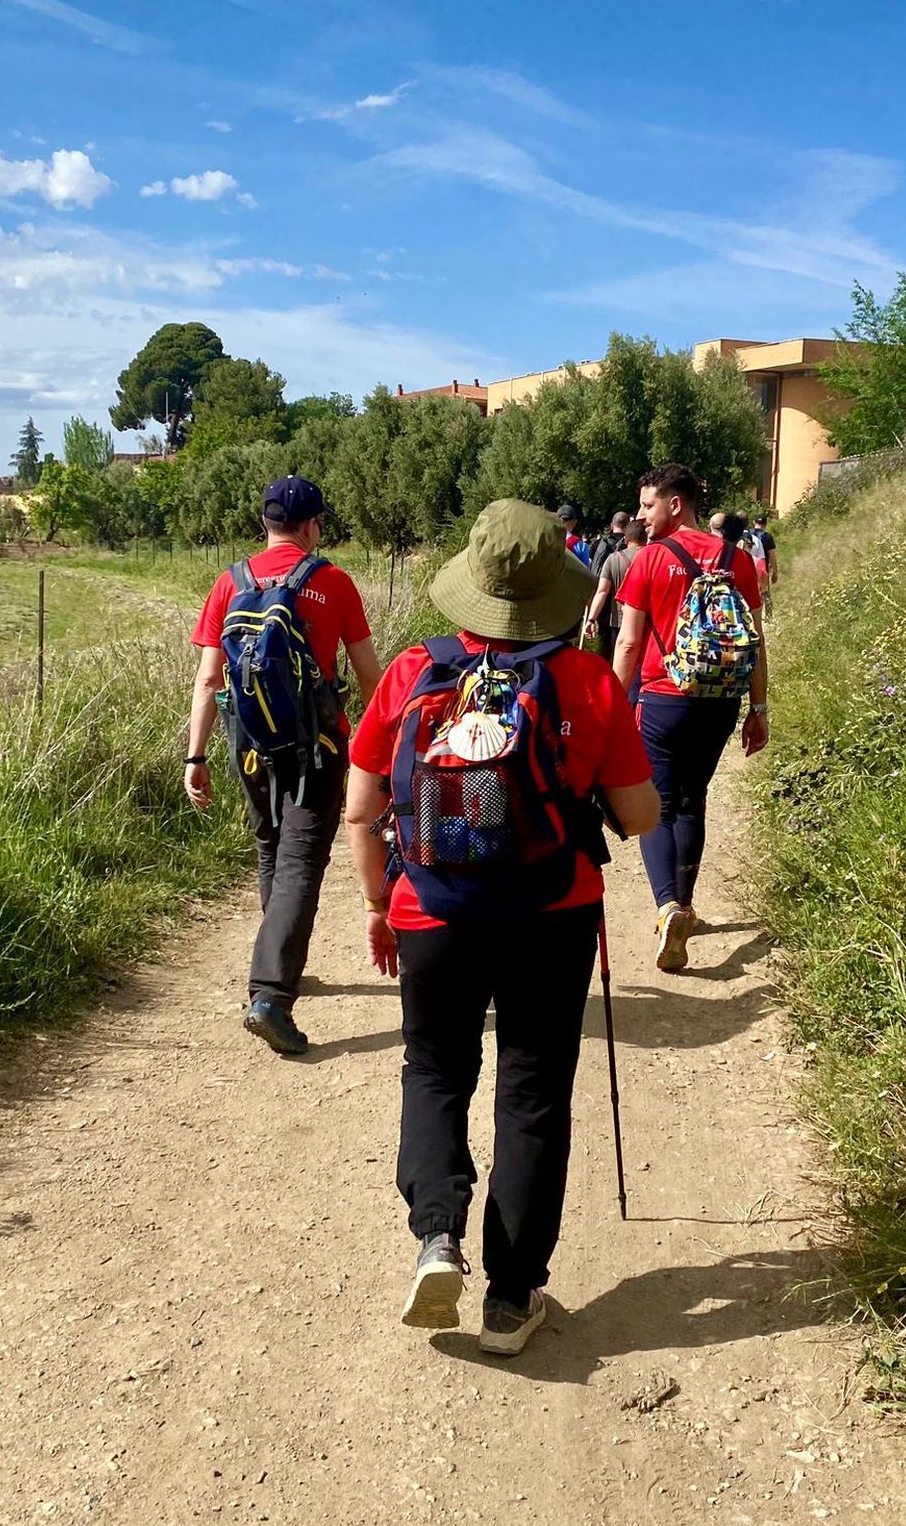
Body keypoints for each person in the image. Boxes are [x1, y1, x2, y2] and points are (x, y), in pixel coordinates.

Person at [344, 500, 660, 1356]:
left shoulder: (413, 670)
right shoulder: (588, 682)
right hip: (552, 916)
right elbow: (638, 817)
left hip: (432, 911)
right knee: (532, 1091)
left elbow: (363, 809)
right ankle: (512, 1297)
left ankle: (436, 1234)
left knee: (436, 1069)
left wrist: (379, 905)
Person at [186, 475, 382, 1056]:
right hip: (314, 743)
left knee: (271, 843)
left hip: (244, 738)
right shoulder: (332, 582)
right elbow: (369, 674)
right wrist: (387, 740)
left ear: (267, 524)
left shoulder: (231, 581)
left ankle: (279, 954)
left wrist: (193, 756)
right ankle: (270, 992)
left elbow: (207, 679)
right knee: (300, 859)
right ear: (311, 525)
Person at [613, 463, 769, 973]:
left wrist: (613, 707)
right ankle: (688, 902)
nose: (642, 515)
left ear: (674, 504)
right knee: (691, 799)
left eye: (647, 505)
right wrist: (758, 708)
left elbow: (630, 641)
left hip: (663, 699)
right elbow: (756, 641)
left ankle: (666, 908)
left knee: (657, 803)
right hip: (720, 700)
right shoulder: (737, 559)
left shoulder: (649, 559)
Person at [583, 517, 646, 664]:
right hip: (645, 623)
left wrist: (591, 619)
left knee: (616, 663)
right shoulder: (652, 556)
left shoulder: (614, 559)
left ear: (626, 538)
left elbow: (602, 591)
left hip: (618, 622)